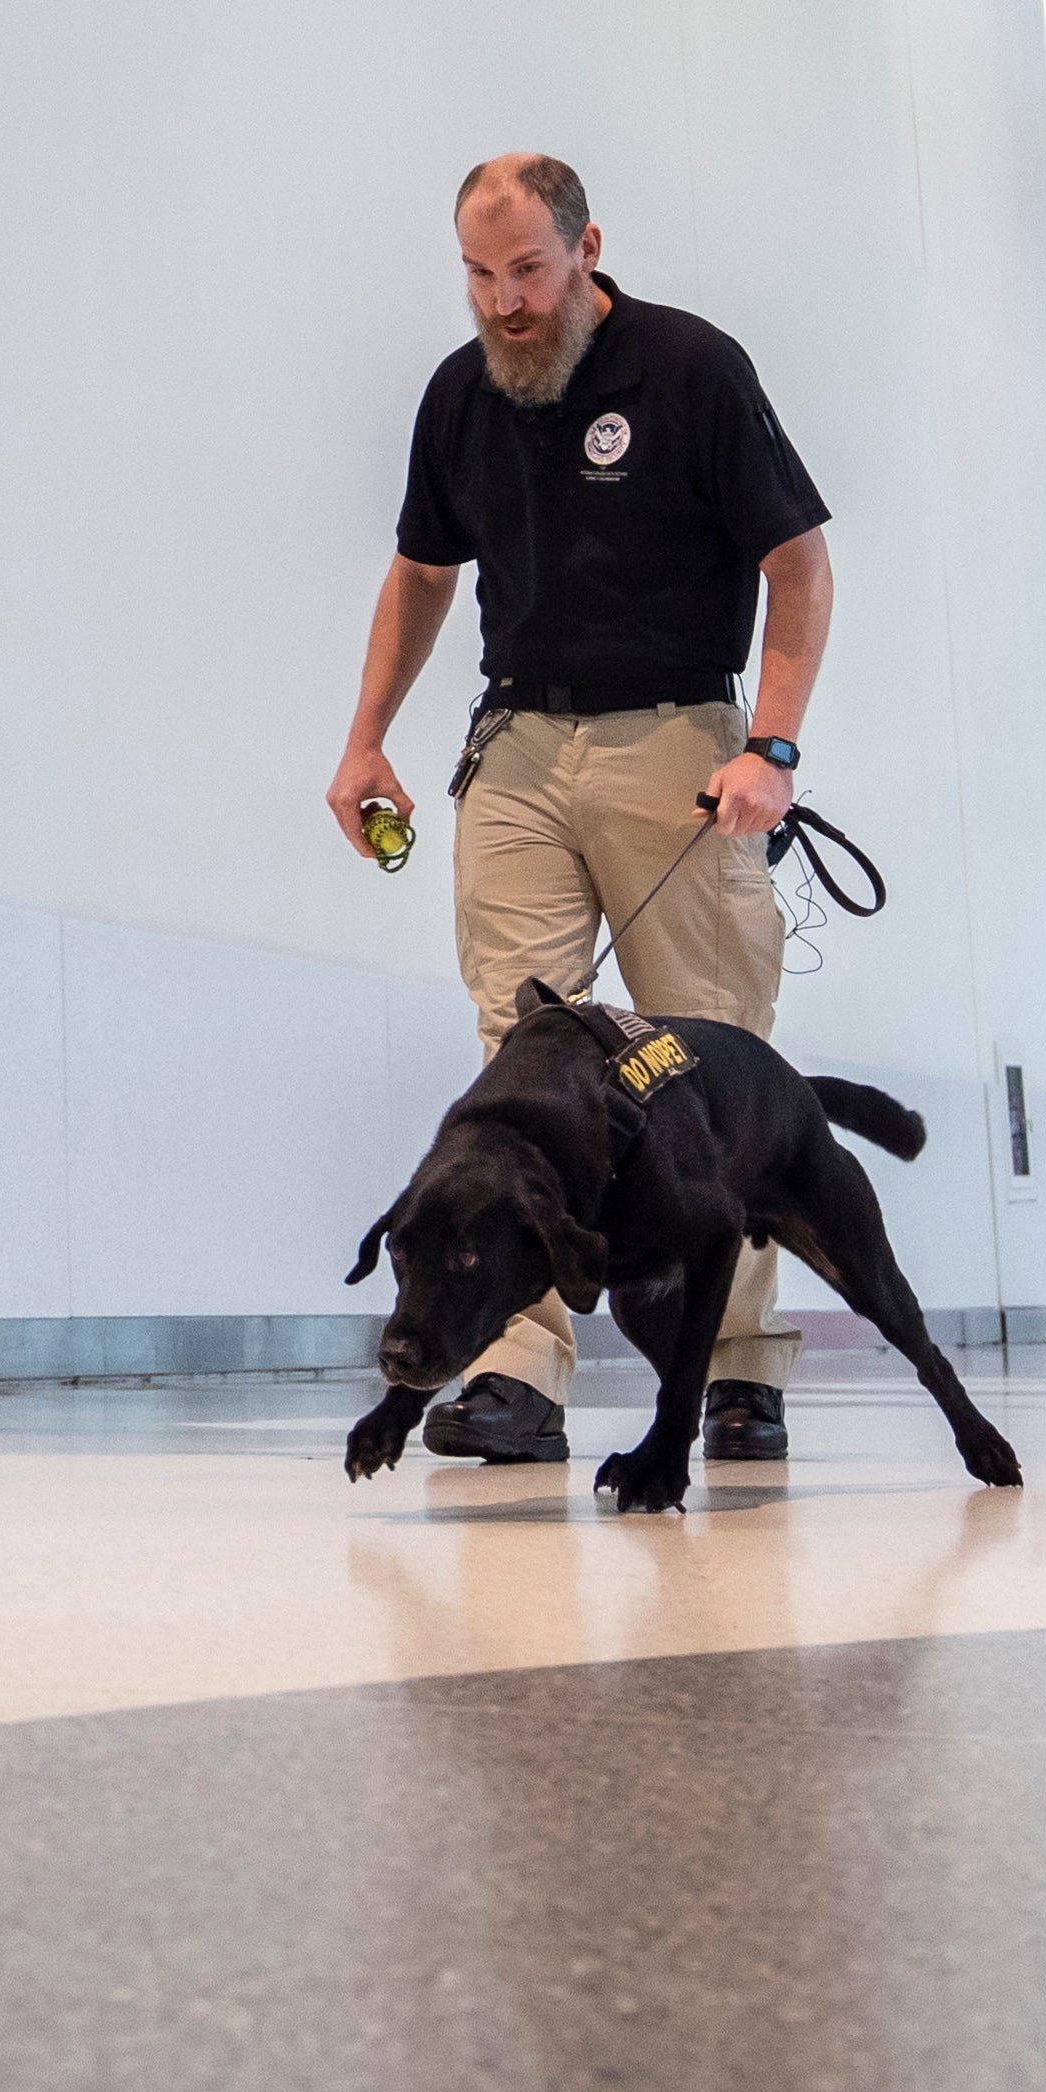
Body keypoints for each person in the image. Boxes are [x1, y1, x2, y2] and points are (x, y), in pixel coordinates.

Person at [330, 156, 837, 1470]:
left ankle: (732, 1367)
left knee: (706, 1055)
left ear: (585, 248)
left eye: (527, 272)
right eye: (478, 275)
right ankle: (514, 1368)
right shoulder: (459, 395)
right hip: (512, 744)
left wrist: (768, 746)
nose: (502, 302)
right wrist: (364, 736)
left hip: (676, 739)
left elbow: (795, 561)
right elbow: (420, 571)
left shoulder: (689, 369)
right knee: (519, 1059)